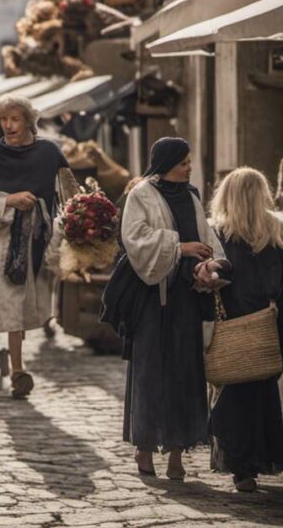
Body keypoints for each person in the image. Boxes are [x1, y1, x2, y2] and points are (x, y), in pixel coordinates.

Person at [118, 137, 223, 480]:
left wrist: (213, 265)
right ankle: (144, 448)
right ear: (166, 163)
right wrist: (180, 245)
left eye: (190, 161)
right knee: (151, 373)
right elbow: (134, 238)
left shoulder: (191, 196)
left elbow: (209, 238)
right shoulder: (142, 195)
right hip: (152, 300)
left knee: (183, 374)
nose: (189, 166)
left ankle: (177, 454)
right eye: (183, 162)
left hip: (186, 298)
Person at [0, 94, 68, 399]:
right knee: (10, 299)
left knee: (26, 304)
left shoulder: (48, 152)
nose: (8, 125)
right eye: (3, 119)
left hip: (39, 237)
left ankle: (11, 353)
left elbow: (67, 188)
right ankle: (18, 370)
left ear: (28, 121)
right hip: (4, 239)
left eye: (15, 119)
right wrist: (8, 200)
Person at [206, 167, 283, 492]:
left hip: (232, 326)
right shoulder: (276, 232)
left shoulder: (218, 234)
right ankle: (262, 457)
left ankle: (242, 469)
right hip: (268, 325)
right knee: (264, 394)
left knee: (233, 394)